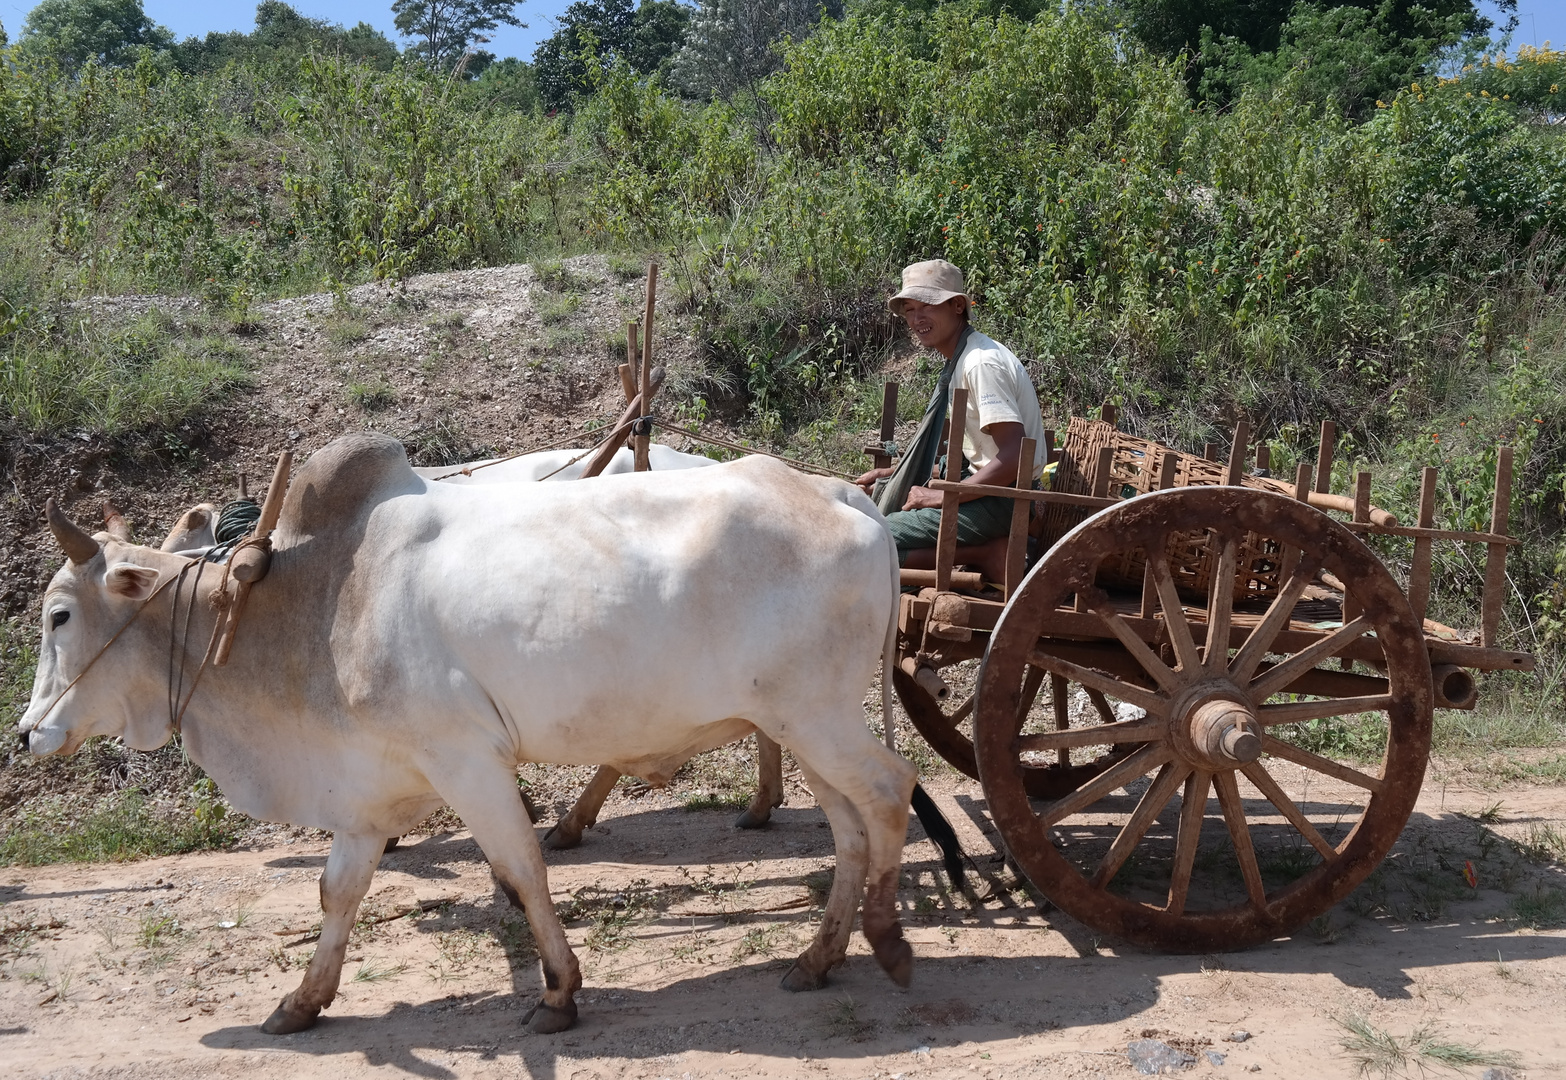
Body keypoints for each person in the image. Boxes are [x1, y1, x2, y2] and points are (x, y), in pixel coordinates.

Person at [856, 259, 1046, 585]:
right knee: (872, 523)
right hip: (986, 492)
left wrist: (942, 497)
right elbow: (978, 457)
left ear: (957, 306)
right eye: (910, 310)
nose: (917, 319)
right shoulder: (963, 359)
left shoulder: (980, 363)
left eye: (928, 306)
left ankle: (985, 553)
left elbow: (1014, 456)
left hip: (1004, 501)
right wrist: (895, 474)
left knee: (871, 538)